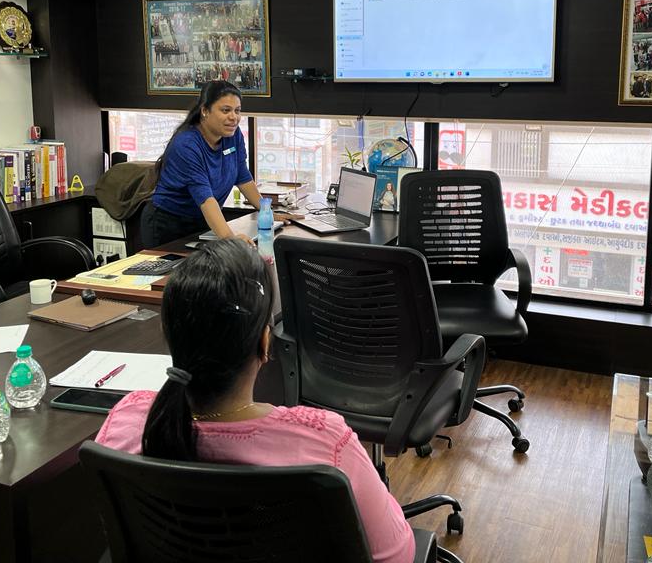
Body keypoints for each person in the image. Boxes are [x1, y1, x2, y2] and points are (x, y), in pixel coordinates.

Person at [96, 240, 415, 563]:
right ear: (265, 343)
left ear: (168, 332)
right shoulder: (324, 443)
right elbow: (396, 555)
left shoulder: (125, 421)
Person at [140, 80, 296, 247]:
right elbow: (205, 198)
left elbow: (242, 176)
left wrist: (267, 213)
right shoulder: (186, 144)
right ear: (205, 111)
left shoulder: (232, 135)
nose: (233, 117)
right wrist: (230, 239)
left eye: (237, 111)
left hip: (204, 219)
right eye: (225, 110)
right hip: (168, 224)